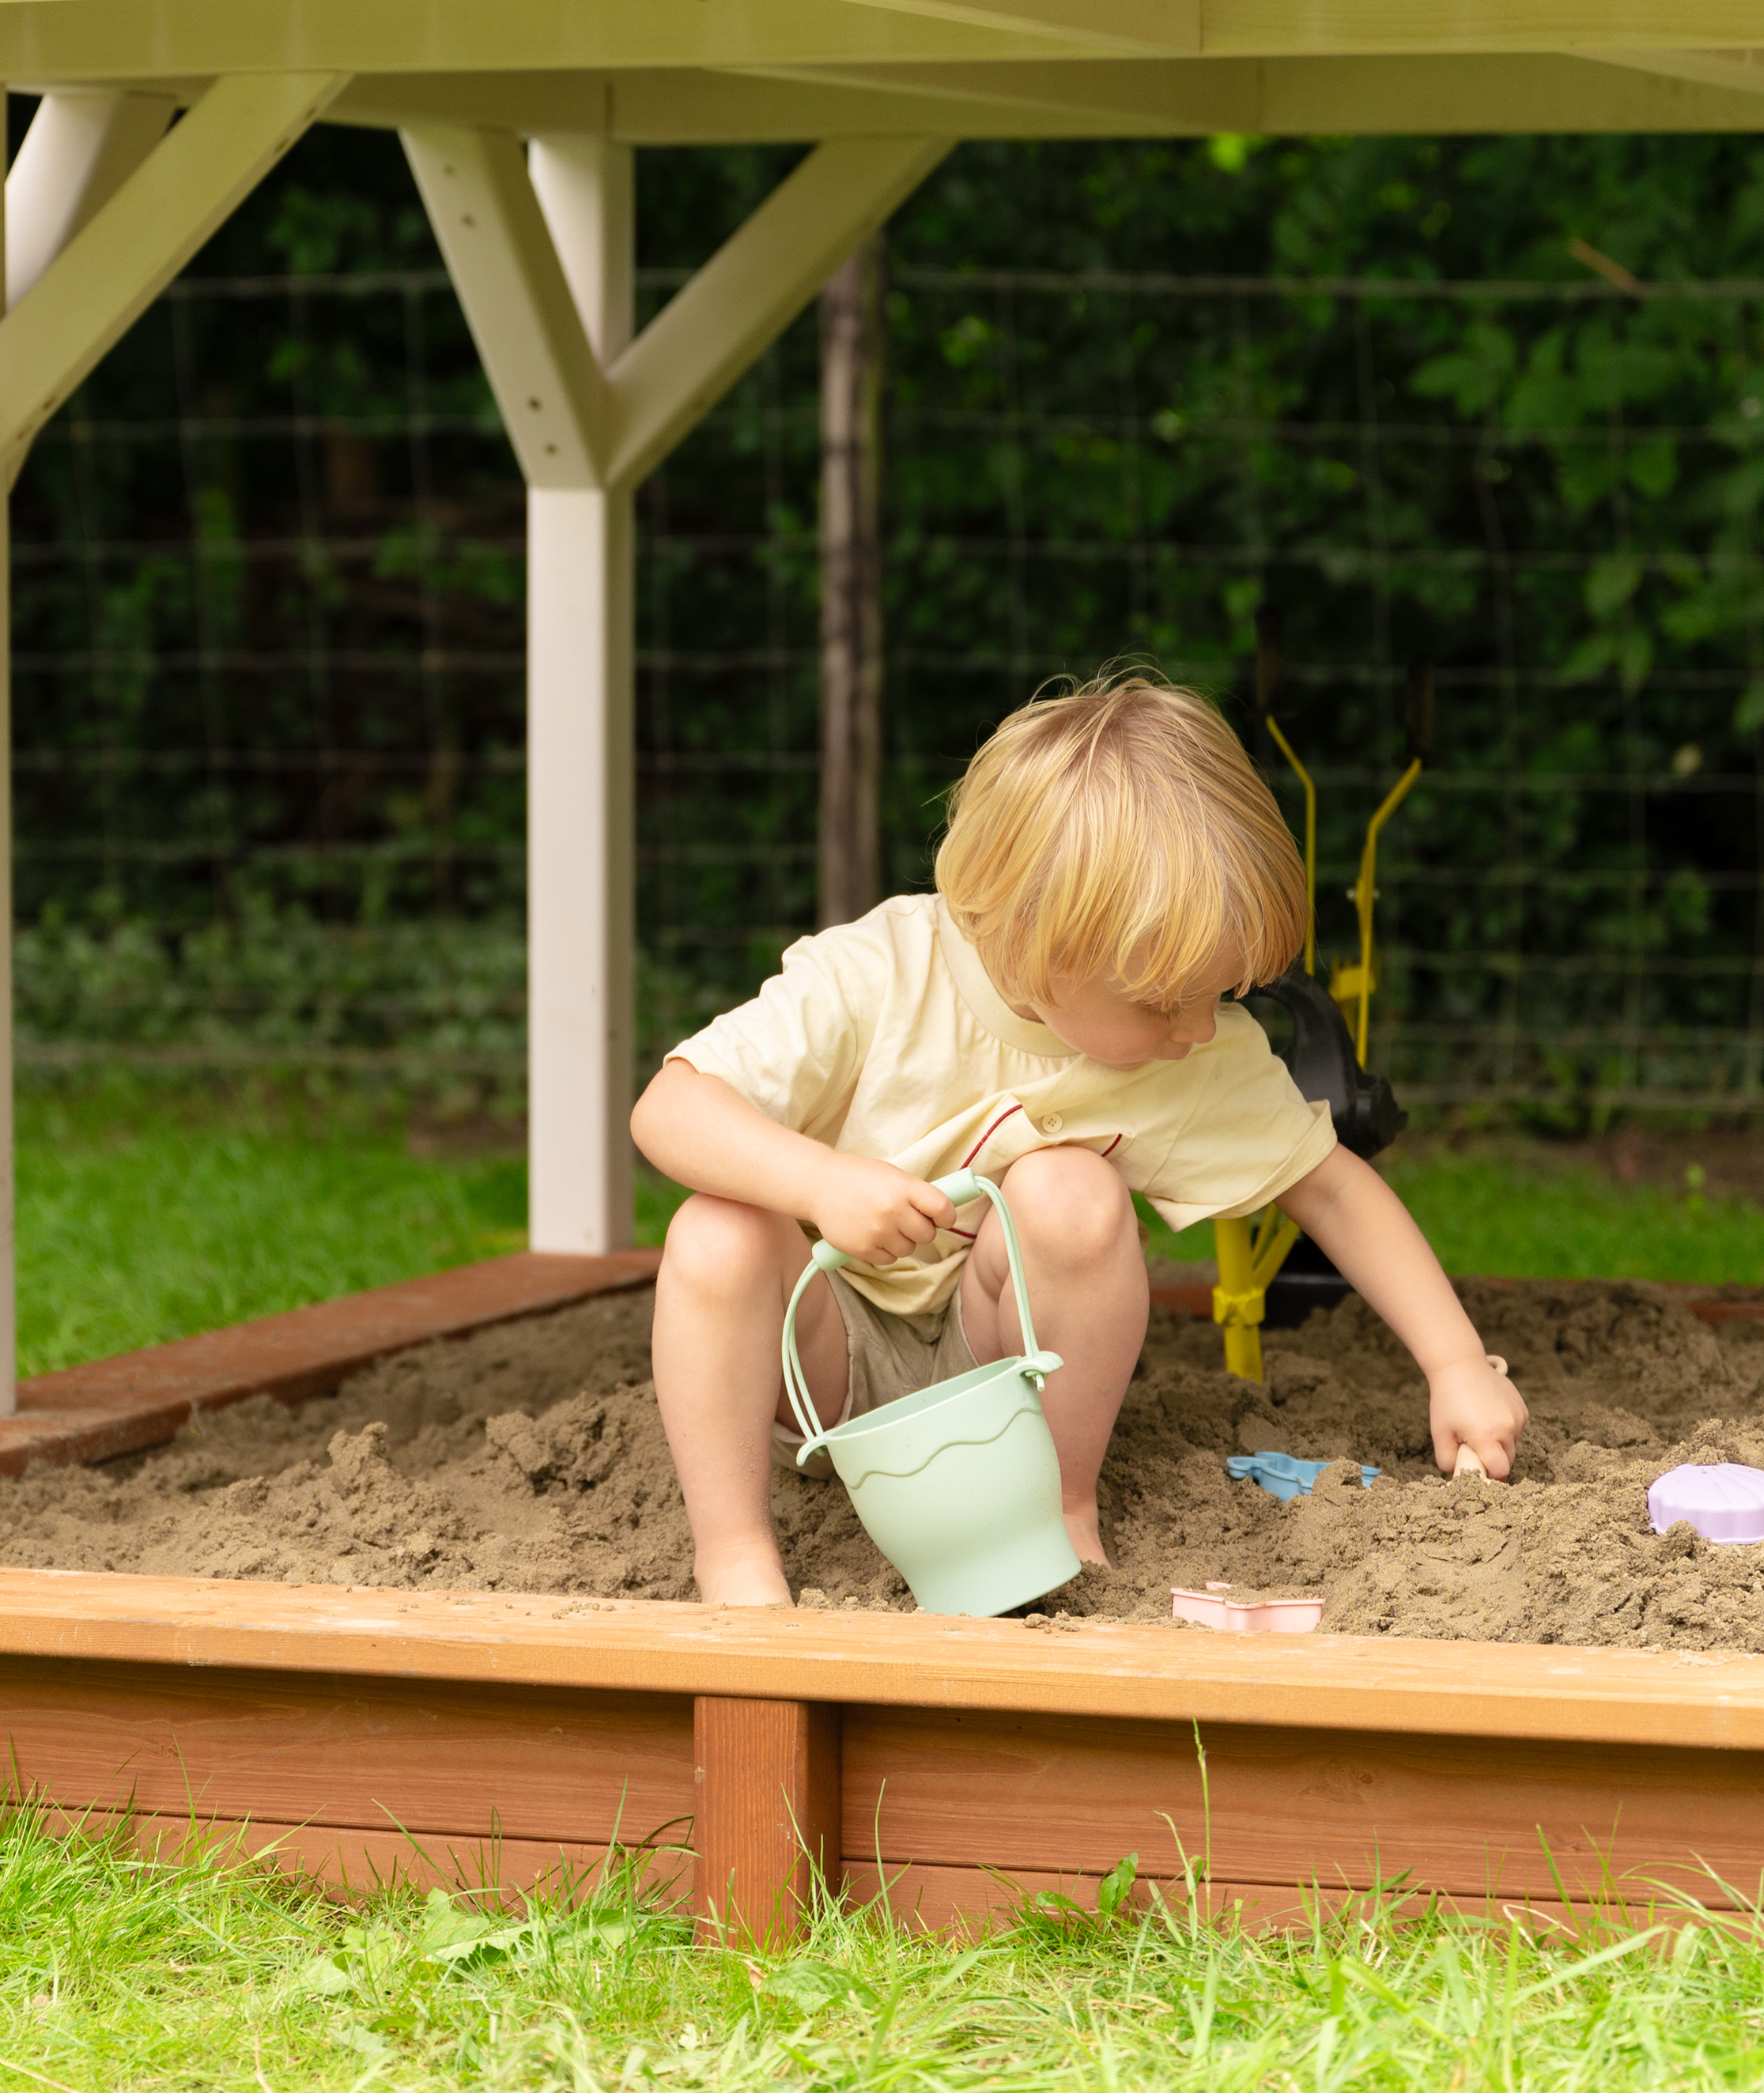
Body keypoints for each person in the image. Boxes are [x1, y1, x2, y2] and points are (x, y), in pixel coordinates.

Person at [631, 670, 1528, 1607]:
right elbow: (669, 1109)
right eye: (1162, 1001)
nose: (1195, 1028)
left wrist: (1457, 1363)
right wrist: (819, 1184)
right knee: (716, 1231)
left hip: (1002, 1382)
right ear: (1031, 941)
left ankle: (1057, 1508)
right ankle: (734, 1556)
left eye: (1220, 996)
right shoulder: (876, 977)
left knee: (1075, 1194)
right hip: (824, 1366)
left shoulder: (1182, 1053)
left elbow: (1332, 1187)